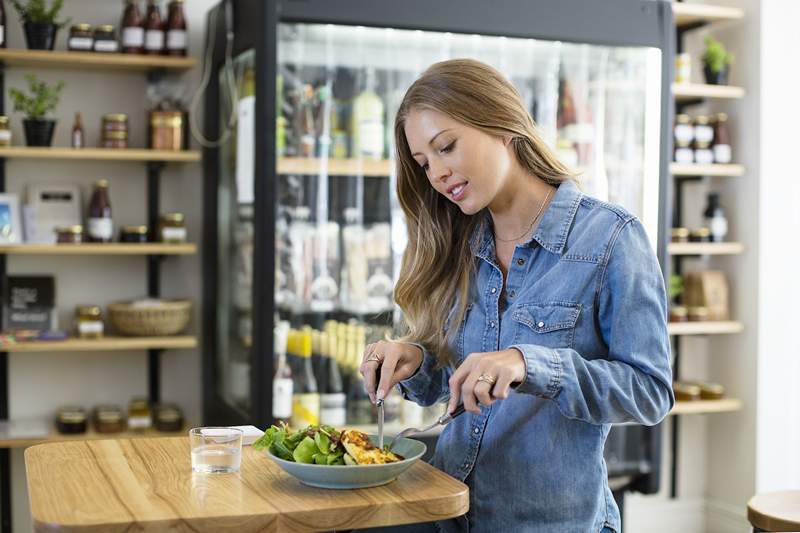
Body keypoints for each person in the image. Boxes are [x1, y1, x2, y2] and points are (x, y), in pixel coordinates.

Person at [359, 58, 673, 533]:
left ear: (502, 125)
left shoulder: (610, 239)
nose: (438, 174)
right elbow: (453, 378)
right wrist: (414, 359)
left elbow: (650, 393)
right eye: (424, 164)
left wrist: (531, 364)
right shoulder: (458, 241)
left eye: (446, 148)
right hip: (448, 514)